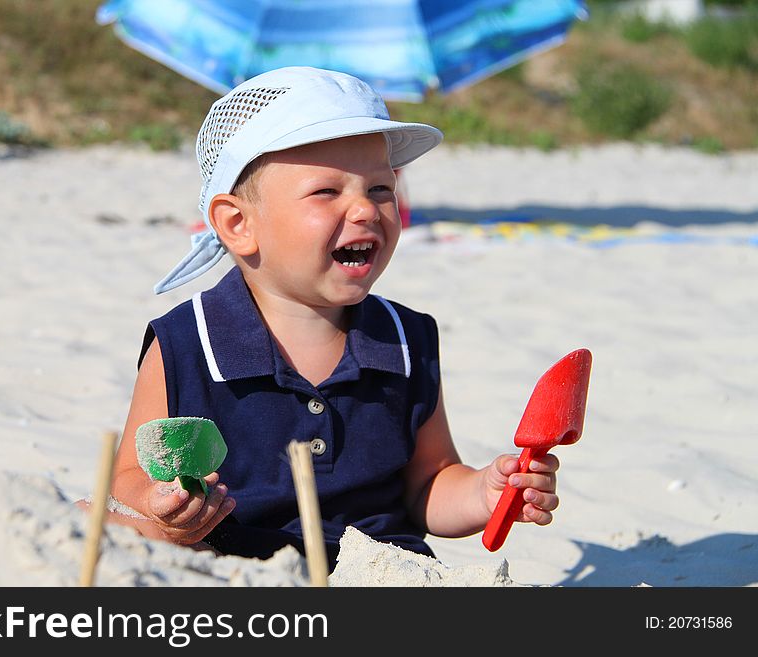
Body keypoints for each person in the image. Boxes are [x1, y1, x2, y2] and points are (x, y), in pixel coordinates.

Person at [107, 67, 559, 565]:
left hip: (381, 571)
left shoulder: (405, 340)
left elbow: (428, 483)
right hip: (237, 567)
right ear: (238, 224)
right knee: (99, 520)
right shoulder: (190, 342)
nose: (365, 210)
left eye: (381, 189)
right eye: (327, 192)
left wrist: (482, 495)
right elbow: (129, 477)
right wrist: (160, 504)